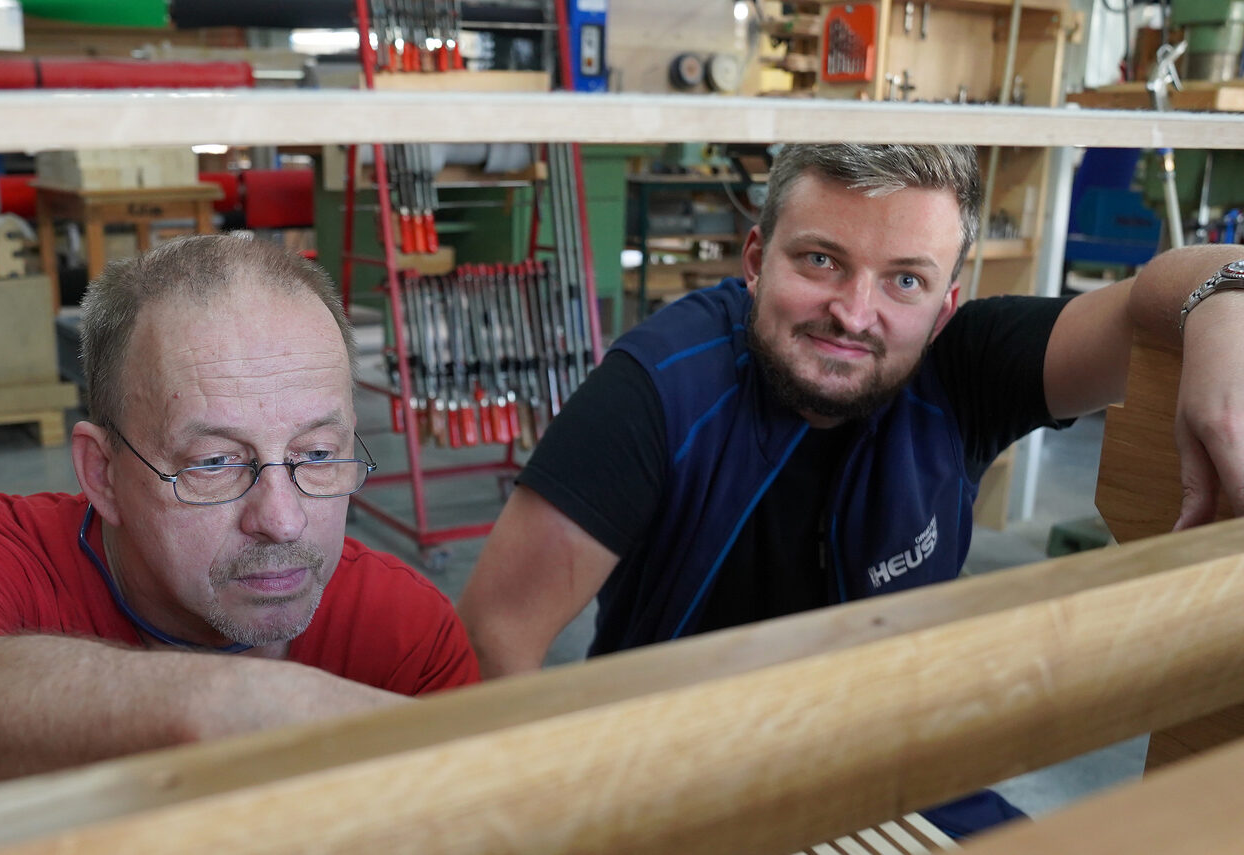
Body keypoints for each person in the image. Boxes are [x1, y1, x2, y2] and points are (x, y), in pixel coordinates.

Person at [457, 143, 1244, 835]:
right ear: (755, 256)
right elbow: (495, 638)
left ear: (945, 309)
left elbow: (1162, 291)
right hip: (675, 788)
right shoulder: (656, 388)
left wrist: (1223, 309)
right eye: (821, 260)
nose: (853, 313)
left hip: (897, 775)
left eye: (905, 279)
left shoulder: (964, 369)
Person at [0, 235, 479, 802]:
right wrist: (228, 703)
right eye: (214, 463)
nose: (283, 520)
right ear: (102, 473)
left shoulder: (406, 632)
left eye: (316, 455)